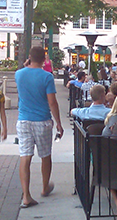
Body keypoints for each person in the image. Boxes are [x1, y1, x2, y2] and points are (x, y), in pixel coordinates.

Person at [15, 46, 64, 208]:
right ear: (44, 59)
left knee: (25, 156)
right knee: (45, 155)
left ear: (29, 57)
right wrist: (58, 122)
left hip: (23, 120)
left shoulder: (19, 74)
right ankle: (44, 187)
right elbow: (52, 102)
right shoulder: (47, 77)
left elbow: (24, 70)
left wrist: (25, 64)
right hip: (42, 121)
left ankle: (26, 196)